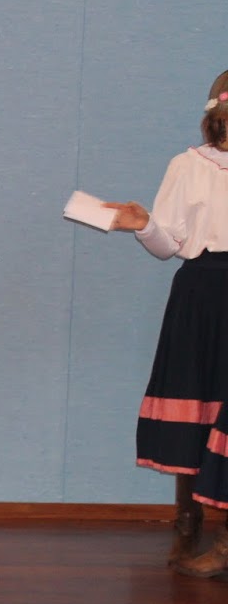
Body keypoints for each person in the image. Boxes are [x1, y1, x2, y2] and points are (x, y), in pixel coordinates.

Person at [108, 69, 228, 574]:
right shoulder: (188, 165)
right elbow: (168, 245)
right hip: (202, 292)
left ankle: (225, 545)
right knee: (196, 403)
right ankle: (187, 525)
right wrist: (145, 226)